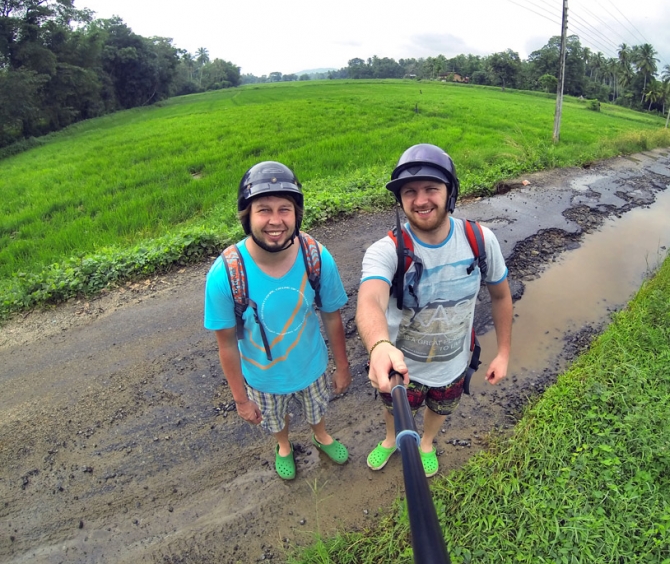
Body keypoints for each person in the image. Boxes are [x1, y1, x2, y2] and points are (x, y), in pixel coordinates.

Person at [356, 143, 513, 477]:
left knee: (441, 407)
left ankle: (426, 441)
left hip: (455, 364)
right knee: (394, 409)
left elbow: (500, 296)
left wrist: (503, 353)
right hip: (402, 369)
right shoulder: (387, 250)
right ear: (399, 200)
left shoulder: (480, 240)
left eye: (431, 188)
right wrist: (380, 345)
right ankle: (390, 439)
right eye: (409, 192)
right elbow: (370, 300)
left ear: (450, 192)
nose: (421, 200)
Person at [204, 161, 351, 480]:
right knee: (274, 418)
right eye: (264, 210)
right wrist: (241, 400)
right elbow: (226, 344)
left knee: (316, 408)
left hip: (312, 366)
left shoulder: (316, 256)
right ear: (248, 216)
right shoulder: (226, 274)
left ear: (297, 214)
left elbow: (332, 316)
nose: (275, 220)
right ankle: (283, 446)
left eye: (284, 209)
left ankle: (321, 434)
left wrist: (342, 366)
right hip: (262, 378)